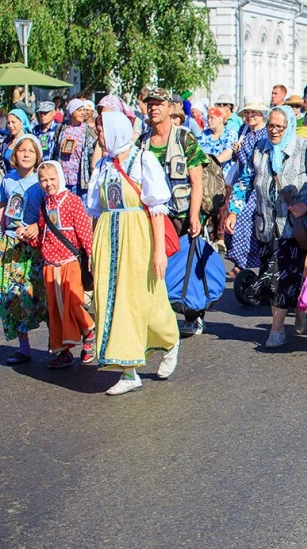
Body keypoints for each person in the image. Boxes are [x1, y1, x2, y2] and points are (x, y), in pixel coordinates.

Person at [86, 111, 181, 395]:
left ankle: (169, 340)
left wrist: (158, 252)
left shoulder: (143, 160)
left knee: (145, 296)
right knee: (112, 301)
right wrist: (93, 249)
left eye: (101, 131)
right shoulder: (103, 165)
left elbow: (156, 209)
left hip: (138, 235)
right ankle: (129, 371)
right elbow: (96, 209)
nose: (98, 137)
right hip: (108, 236)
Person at [223, 106, 307, 348]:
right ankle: (300, 305)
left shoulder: (304, 148)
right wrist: (234, 211)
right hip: (265, 225)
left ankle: (277, 329)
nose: (274, 130)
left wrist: (306, 204)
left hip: (293, 228)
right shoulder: (260, 149)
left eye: (280, 126)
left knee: (278, 276)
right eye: (271, 125)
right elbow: (245, 181)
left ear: (289, 126)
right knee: (277, 275)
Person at [137, 88, 209, 336]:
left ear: (170, 108)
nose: (153, 108)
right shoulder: (142, 142)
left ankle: (193, 313)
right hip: (152, 215)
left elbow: (197, 180)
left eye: (158, 103)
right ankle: (159, 314)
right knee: (154, 264)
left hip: (180, 214)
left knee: (186, 265)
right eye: (150, 104)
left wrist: (194, 216)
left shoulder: (184, 139)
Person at [21, 160, 94, 367]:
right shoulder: (45, 205)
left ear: (60, 178)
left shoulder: (72, 201)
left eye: (52, 179)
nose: (48, 184)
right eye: (43, 180)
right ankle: (64, 351)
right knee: (55, 310)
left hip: (69, 262)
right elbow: (42, 237)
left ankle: (88, 333)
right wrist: (28, 235)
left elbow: (85, 233)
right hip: (50, 264)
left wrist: (91, 257)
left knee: (73, 302)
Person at [0, 135, 48, 365]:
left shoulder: (41, 181)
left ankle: (57, 345)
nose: (27, 154)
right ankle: (24, 347)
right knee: (13, 296)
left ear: (37, 156)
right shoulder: (7, 180)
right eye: (22, 150)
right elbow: (2, 208)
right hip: (10, 243)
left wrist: (37, 228)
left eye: (31, 150)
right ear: (14, 155)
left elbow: (50, 212)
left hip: (35, 245)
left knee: (39, 293)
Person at [224, 100, 269, 277]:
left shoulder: (266, 135)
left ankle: (245, 263)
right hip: (245, 183)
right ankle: (241, 262)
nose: (250, 116)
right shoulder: (246, 134)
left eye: (254, 112)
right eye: (247, 112)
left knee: (247, 221)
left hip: (260, 185)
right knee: (233, 217)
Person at [53, 99, 97, 198]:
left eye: (84, 110)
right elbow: (55, 150)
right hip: (63, 179)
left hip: (80, 181)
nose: (83, 113)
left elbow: (92, 154)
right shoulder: (61, 128)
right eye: (80, 110)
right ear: (72, 112)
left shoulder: (88, 131)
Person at [198, 107, 239, 185]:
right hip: (205, 176)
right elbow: (198, 151)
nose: (209, 120)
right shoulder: (204, 134)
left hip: (223, 178)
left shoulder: (230, 134)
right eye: (208, 117)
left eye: (212, 118)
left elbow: (228, 153)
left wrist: (209, 162)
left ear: (221, 119)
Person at [1, 109, 32, 174]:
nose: (10, 126)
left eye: (13, 122)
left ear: (21, 122)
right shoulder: (6, 142)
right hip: (8, 180)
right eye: (8, 123)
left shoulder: (29, 141)